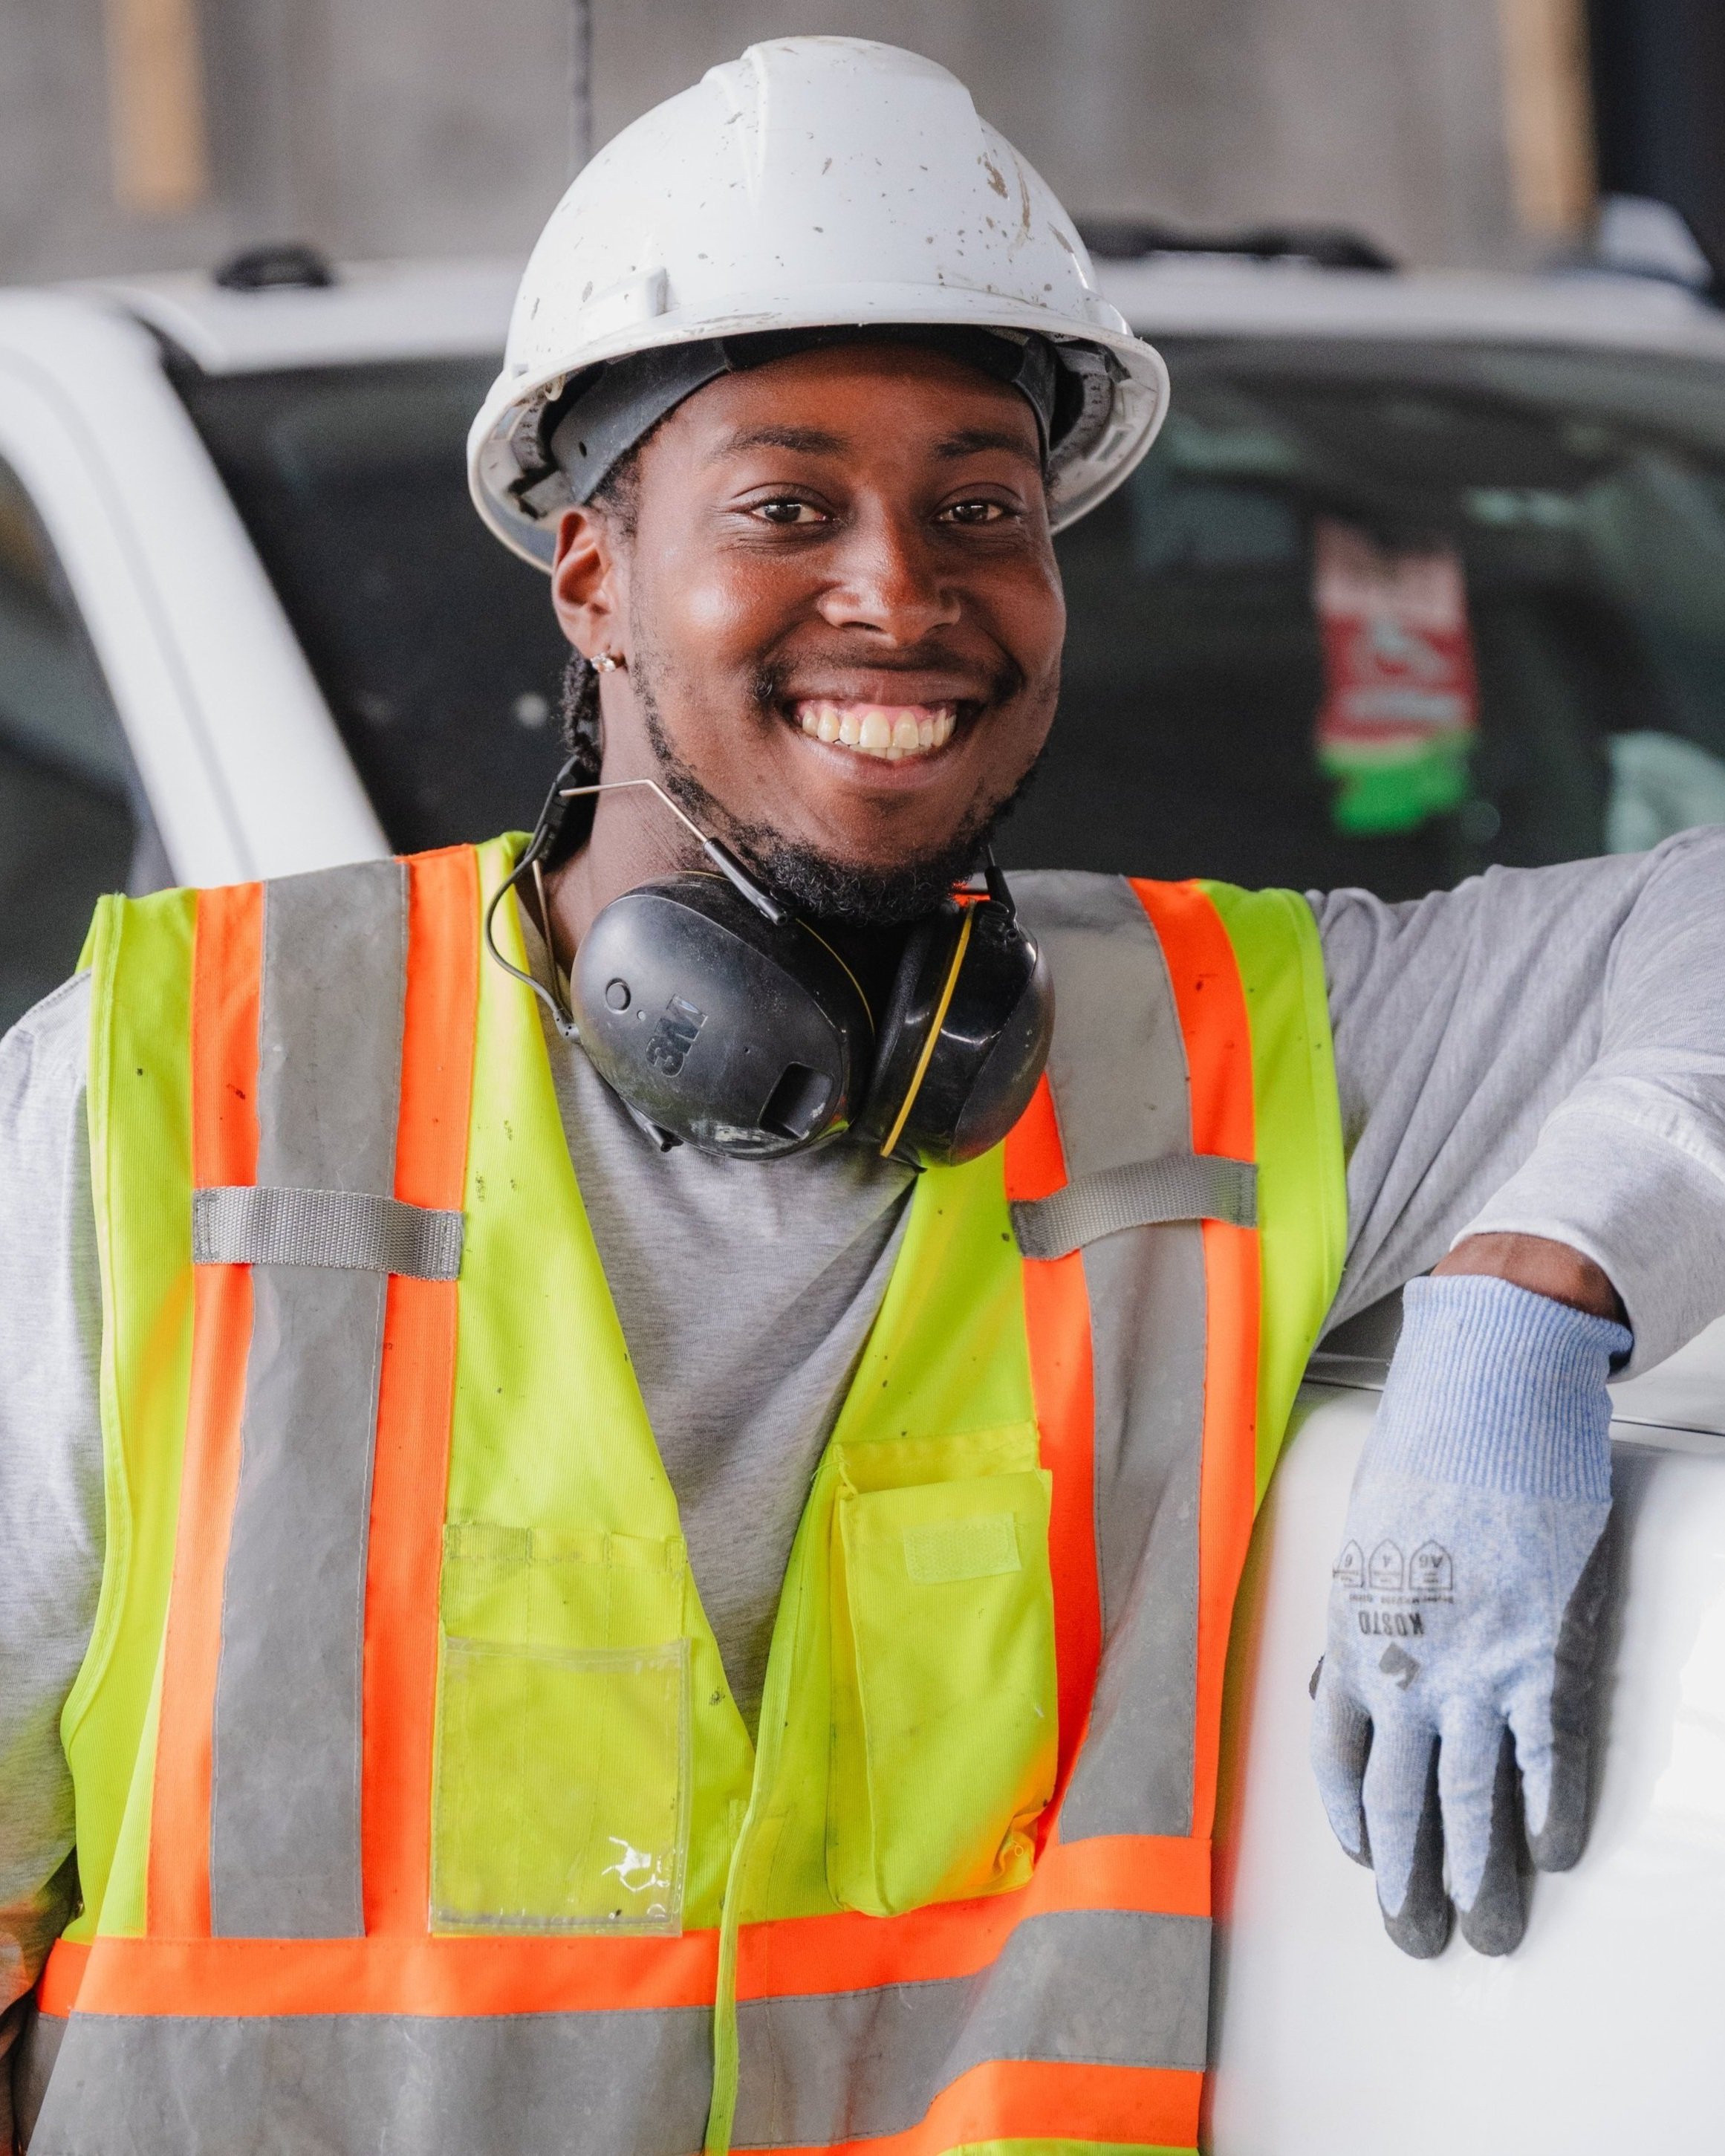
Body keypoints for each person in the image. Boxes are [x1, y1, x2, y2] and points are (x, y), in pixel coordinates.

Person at [4, 35, 1724, 2156]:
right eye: (784, 505)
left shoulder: (1221, 1058)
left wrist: (1541, 1280)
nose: (901, 594)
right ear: (592, 575)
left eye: (979, 507)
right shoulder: (189, 1081)